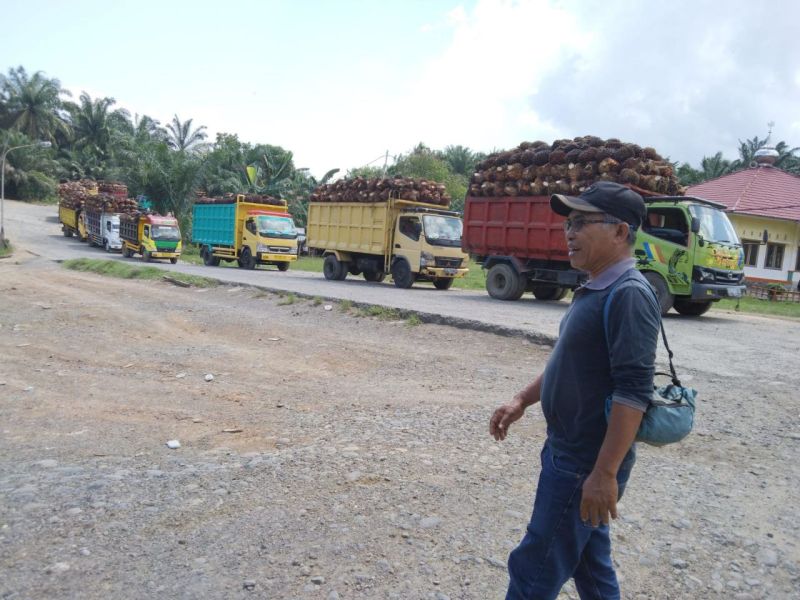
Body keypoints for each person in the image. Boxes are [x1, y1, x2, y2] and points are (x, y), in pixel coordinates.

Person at [489, 181, 661, 600]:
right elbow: (566, 363)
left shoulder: (629, 295)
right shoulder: (595, 288)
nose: (569, 232)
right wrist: (522, 400)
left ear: (620, 232)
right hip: (568, 453)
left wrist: (604, 473)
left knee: (534, 569)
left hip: (584, 463)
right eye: (569, 223)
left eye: (582, 223)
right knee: (590, 566)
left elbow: (633, 392)